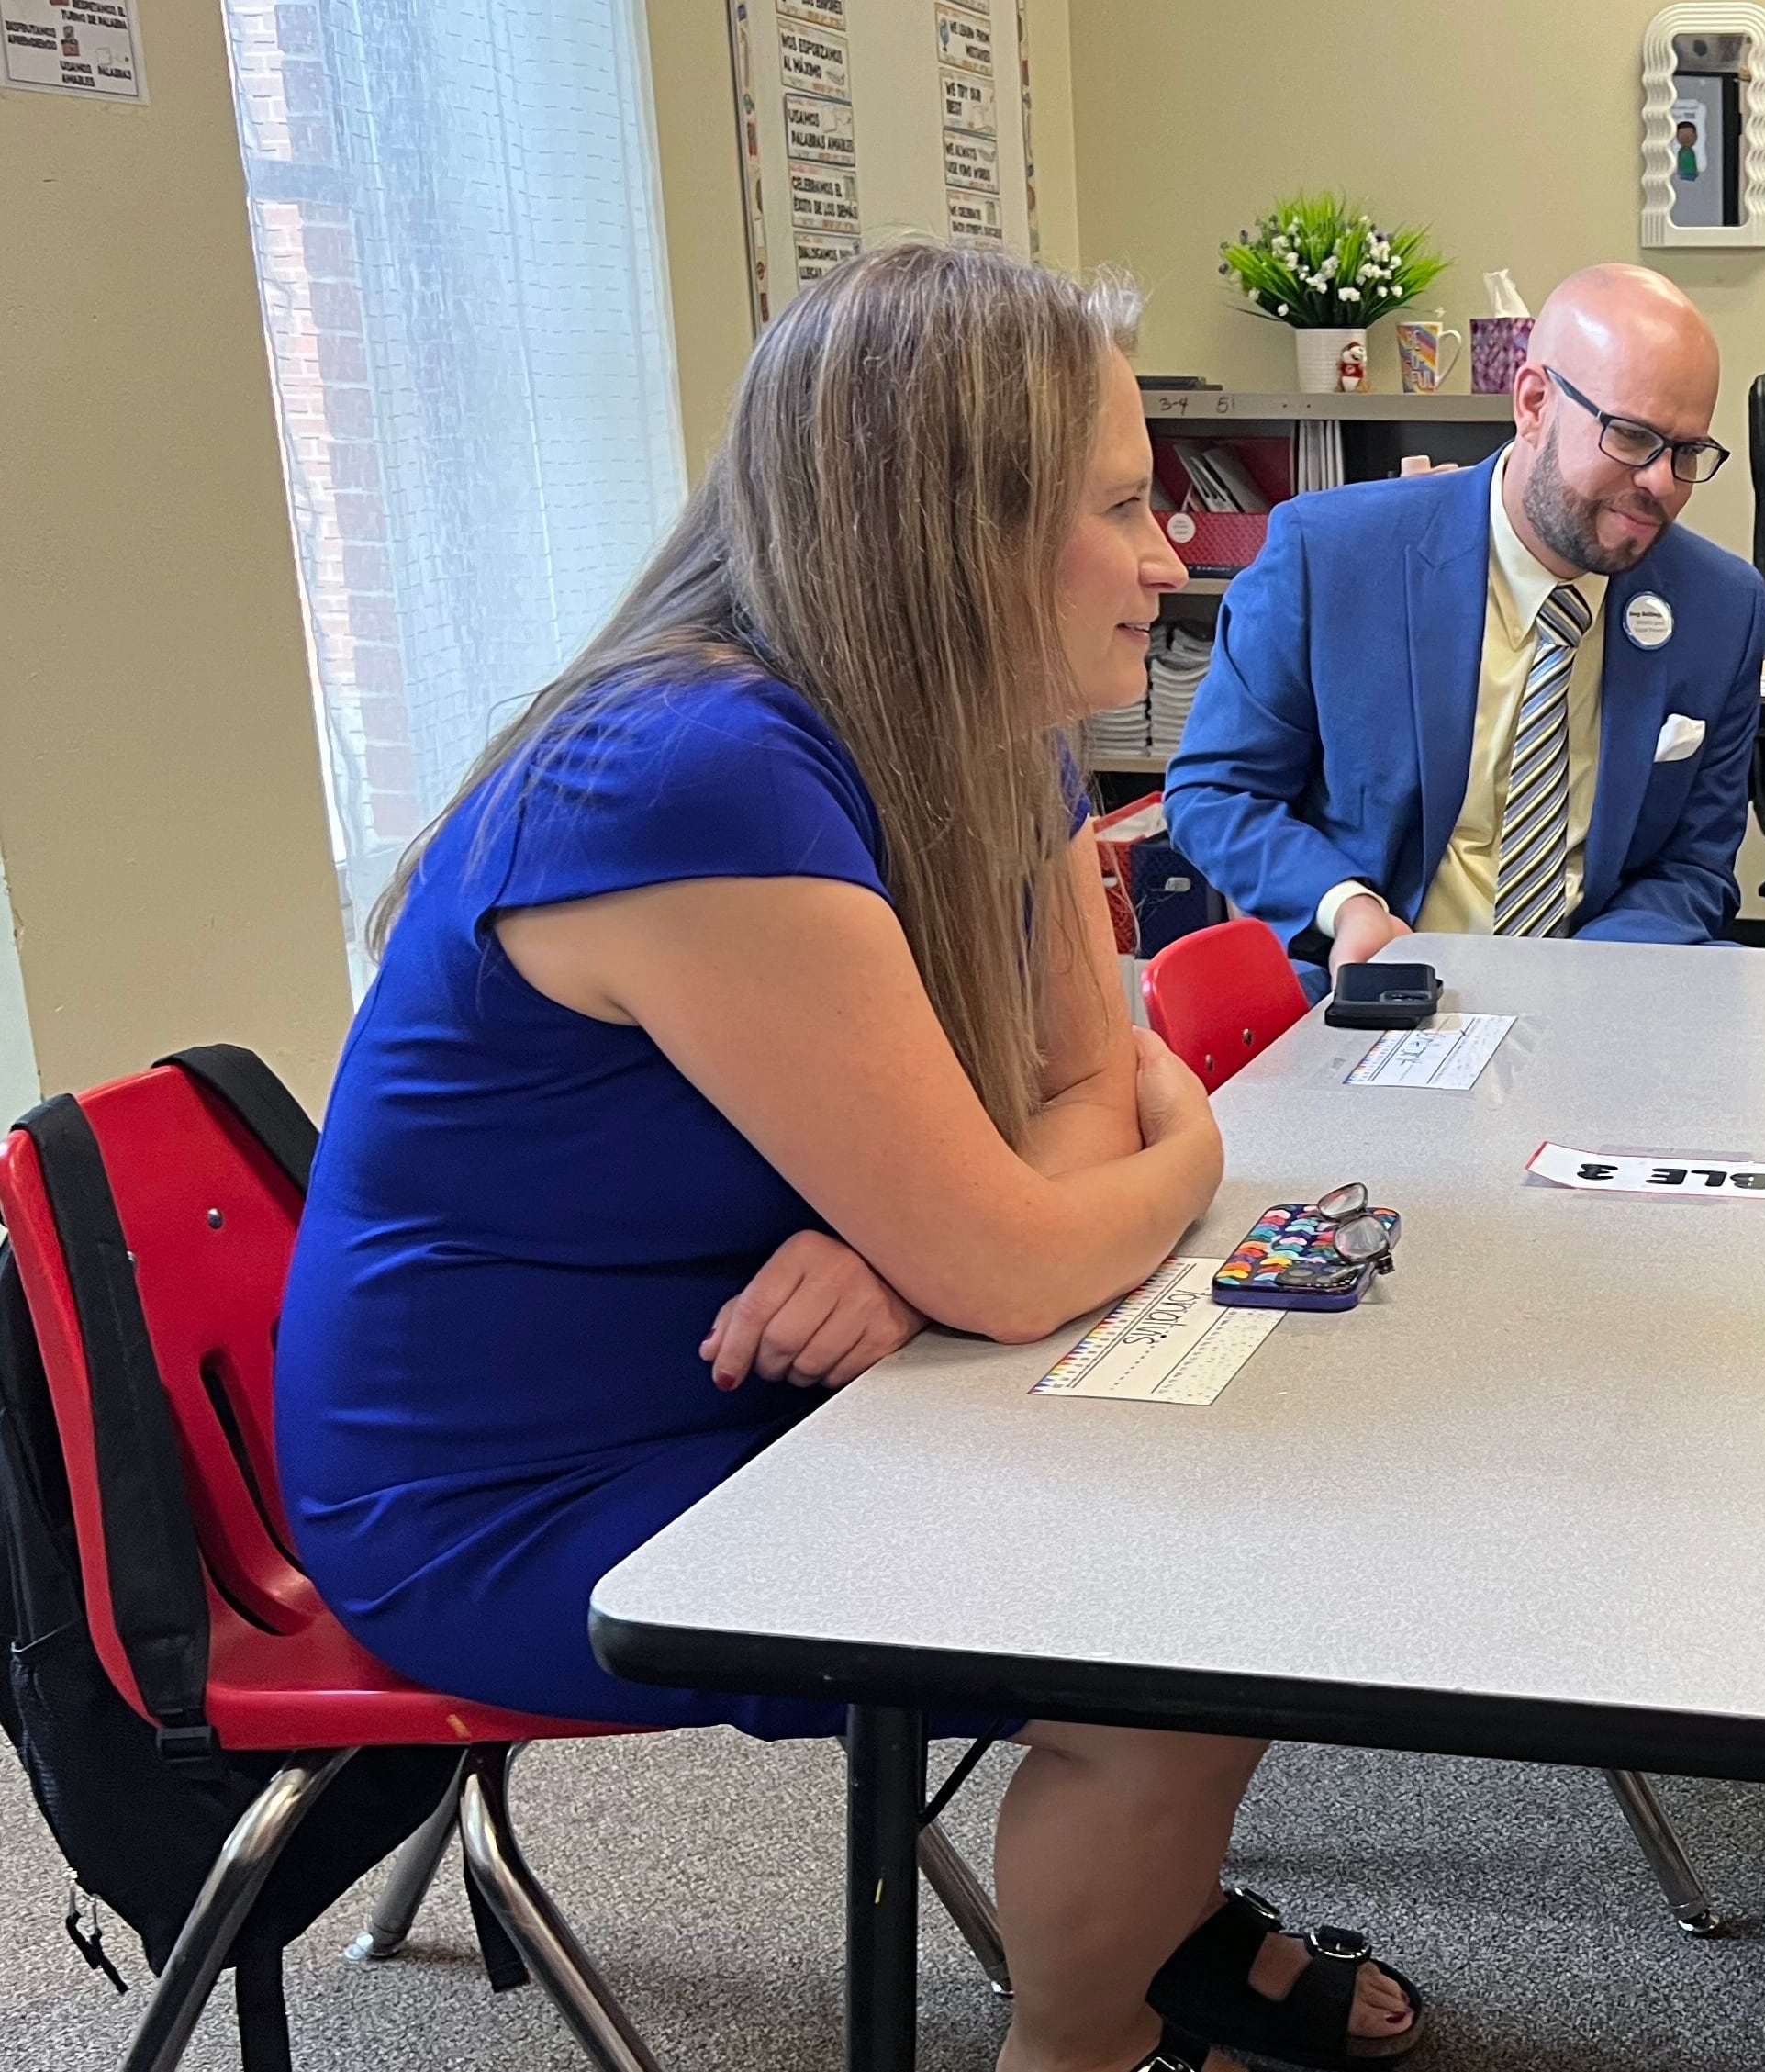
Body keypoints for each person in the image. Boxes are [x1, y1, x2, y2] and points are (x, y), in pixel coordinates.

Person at [276, 247, 1419, 2072]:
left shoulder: (984, 732)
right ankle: (1086, 2043)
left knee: (1221, 1554)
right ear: (948, 527)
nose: (1174, 555)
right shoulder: (687, 773)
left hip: (773, 1364)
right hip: (513, 1483)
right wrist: (1165, 1148)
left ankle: (1154, 1946)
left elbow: (1063, 1110)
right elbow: (1067, 1192)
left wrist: (926, 1239)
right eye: (1122, 507)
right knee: (1174, 1634)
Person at [1166, 263, 1765, 972]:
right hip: (1379, 986)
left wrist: (1576, 987)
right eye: (1632, 438)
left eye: (1688, 451)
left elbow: (1694, 869)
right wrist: (1344, 905)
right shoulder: (1331, 557)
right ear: (1535, 402)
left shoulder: (1722, 607)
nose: (1661, 483)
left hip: (1598, 996)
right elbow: (1216, 789)